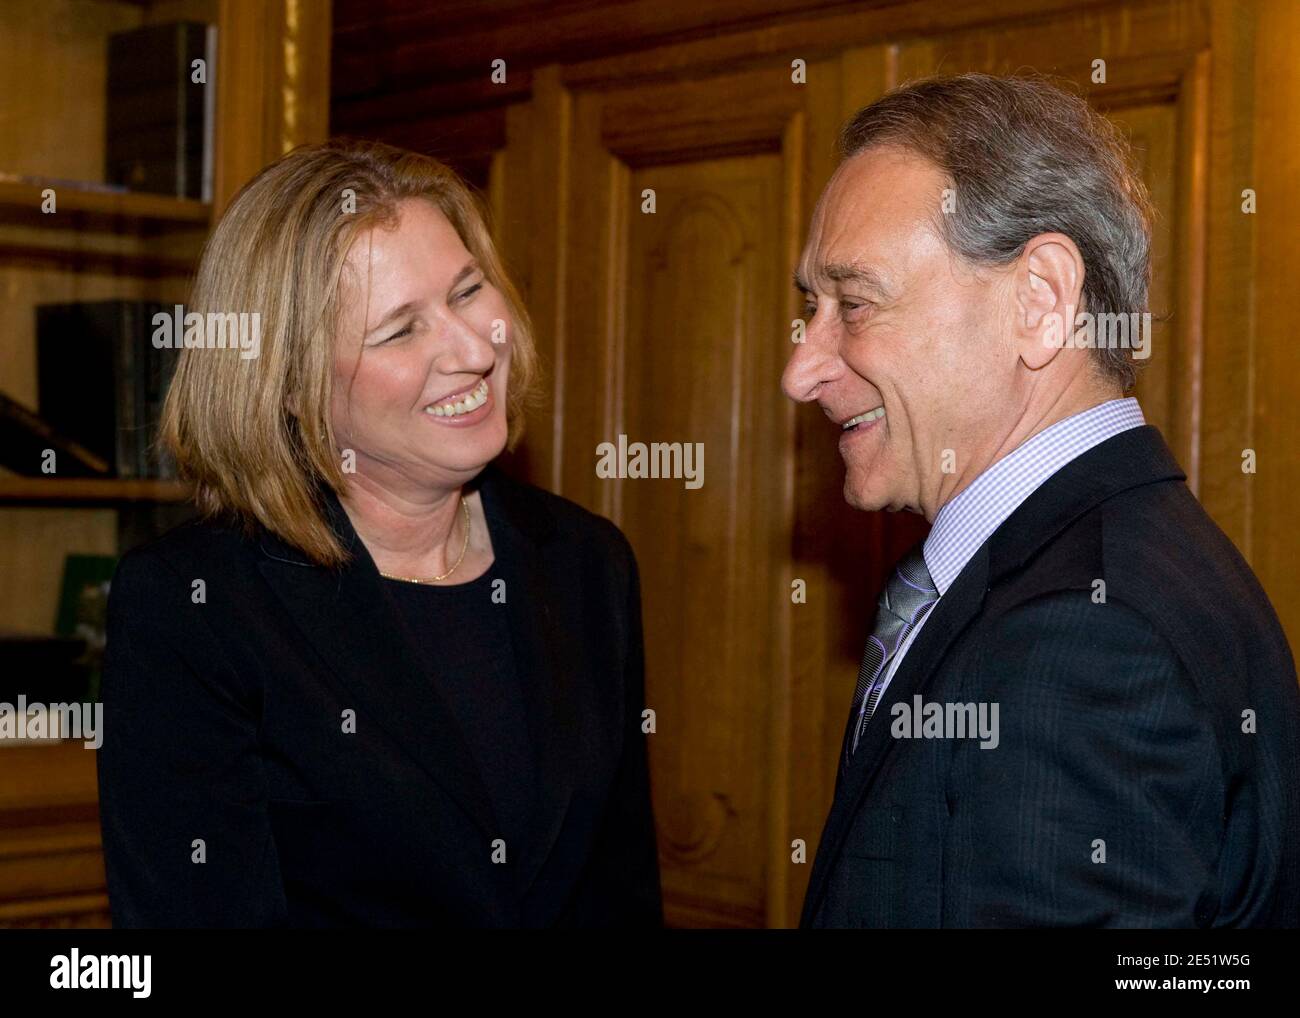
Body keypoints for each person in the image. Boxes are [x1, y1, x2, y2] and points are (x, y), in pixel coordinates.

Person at [97, 139, 663, 928]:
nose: (472, 350)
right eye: (399, 331)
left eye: (468, 291)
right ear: (291, 387)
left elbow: (620, 894)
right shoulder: (195, 607)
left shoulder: (587, 562)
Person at [783, 73, 1300, 927]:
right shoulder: (1122, 560)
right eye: (811, 307)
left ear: (1041, 301)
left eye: (855, 303)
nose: (802, 370)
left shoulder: (1083, 640)